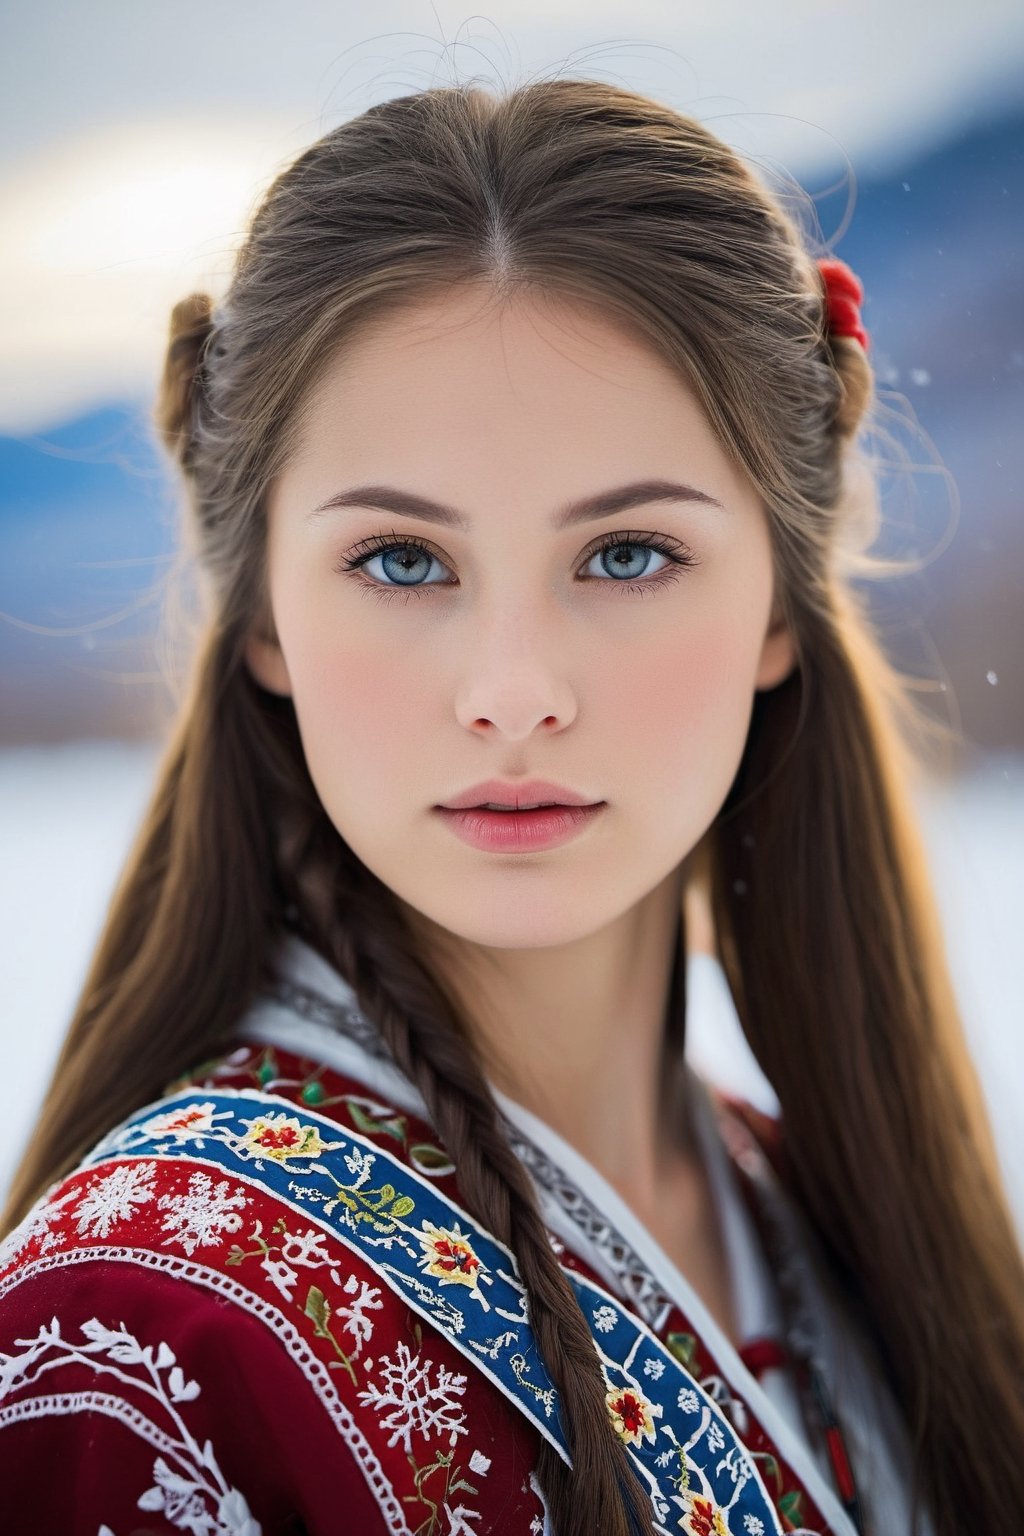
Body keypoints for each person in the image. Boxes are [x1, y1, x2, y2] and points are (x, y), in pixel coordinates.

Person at [0, 77, 1021, 1536]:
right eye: (405, 562)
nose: (514, 691)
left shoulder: (831, 1222)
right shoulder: (138, 1334)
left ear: (779, 610)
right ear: (268, 622)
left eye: (626, 554)